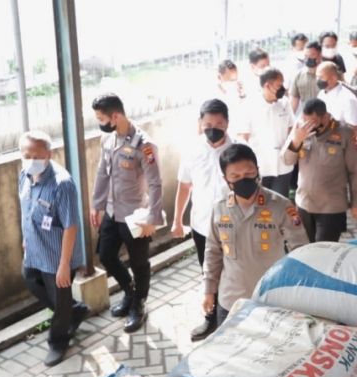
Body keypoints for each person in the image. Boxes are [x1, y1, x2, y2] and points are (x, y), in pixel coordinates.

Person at [202, 144, 309, 325]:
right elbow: (213, 251)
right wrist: (208, 291)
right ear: (226, 179)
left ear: (258, 171)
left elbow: (301, 250)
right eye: (235, 176)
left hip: (271, 299)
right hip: (230, 301)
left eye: (249, 174)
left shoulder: (281, 206)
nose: (243, 180)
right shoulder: (219, 208)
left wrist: (298, 292)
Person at [90, 93, 163, 334]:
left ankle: (138, 304)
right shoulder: (108, 140)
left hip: (135, 215)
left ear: (116, 115)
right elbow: (103, 173)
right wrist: (97, 205)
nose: (100, 122)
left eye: (101, 118)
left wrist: (153, 217)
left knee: (139, 262)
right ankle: (130, 291)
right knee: (106, 255)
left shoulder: (144, 144)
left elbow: (155, 183)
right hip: (112, 211)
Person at [18, 131, 89, 366]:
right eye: (26, 155)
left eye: (36, 155)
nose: (30, 160)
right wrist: (25, 238)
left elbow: (70, 227)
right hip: (34, 250)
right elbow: (26, 209)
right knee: (30, 281)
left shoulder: (62, 184)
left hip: (57, 256)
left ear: (48, 154)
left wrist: (63, 266)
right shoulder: (24, 175)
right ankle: (74, 310)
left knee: (59, 301)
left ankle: (58, 341)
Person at [172, 99, 231, 341]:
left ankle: (232, 319)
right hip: (201, 226)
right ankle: (212, 319)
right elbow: (184, 186)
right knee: (208, 274)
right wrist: (177, 220)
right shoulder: (192, 150)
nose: (213, 128)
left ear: (227, 123)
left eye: (218, 123)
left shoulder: (238, 150)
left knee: (232, 274)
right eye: (208, 123)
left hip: (231, 227)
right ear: (200, 123)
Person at [282, 98, 357, 242]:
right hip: (304, 202)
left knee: (324, 250)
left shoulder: (344, 134)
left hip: (331, 206)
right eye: (306, 122)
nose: (309, 127)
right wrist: (296, 141)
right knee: (305, 247)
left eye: (314, 123)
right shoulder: (301, 130)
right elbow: (286, 160)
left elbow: (355, 171)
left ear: (326, 117)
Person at [236, 67, 295, 198]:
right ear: (267, 85)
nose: (283, 88)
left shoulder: (285, 103)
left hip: (283, 165)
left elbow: (292, 129)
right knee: (261, 206)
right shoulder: (248, 105)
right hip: (260, 166)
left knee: (280, 203)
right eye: (279, 85)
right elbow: (242, 137)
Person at [316, 61, 357, 133]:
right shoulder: (322, 93)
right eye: (317, 76)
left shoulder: (348, 99)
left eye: (321, 77)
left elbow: (353, 129)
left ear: (333, 78)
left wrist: (332, 124)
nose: (318, 80)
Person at [291, 41, 322, 115]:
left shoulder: (329, 73)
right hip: (306, 118)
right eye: (306, 56)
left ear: (320, 55)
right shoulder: (298, 75)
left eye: (312, 55)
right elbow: (294, 100)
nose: (308, 58)